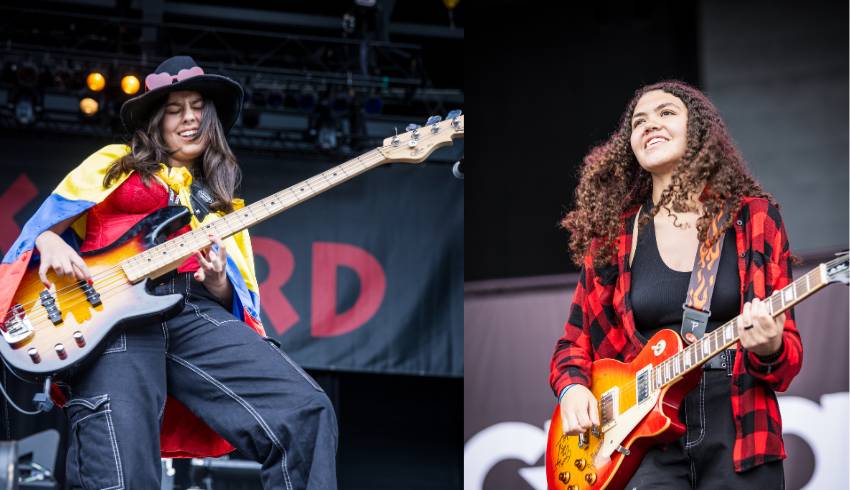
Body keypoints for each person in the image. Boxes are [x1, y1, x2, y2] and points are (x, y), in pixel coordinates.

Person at [0, 56, 337, 489]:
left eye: (198, 107)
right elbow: (41, 231)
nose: (190, 118)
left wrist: (218, 283)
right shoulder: (115, 161)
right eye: (175, 109)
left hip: (190, 309)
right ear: (156, 121)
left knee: (305, 409)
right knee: (123, 466)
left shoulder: (222, 205)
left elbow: (236, 297)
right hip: (113, 310)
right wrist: (46, 241)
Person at [549, 80, 802, 488]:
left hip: (738, 427)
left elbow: (786, 359)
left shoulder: (753, 219)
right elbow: (572, 345)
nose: (650, 125)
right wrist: (573, 389)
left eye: (667, 113)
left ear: (698, 130)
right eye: (638, 122)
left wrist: (769, 346)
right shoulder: (613, 238)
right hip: (643, 441)